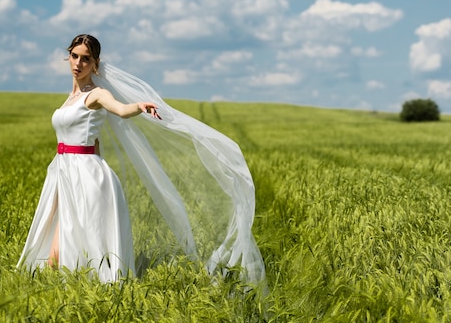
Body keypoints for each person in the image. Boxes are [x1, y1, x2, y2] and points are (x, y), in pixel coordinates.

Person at [17, 34, 266, 284]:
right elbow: (94, 139)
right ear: (68, 55)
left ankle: (100, 292)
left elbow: (121, 110)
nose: (78, 63)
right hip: (65, 172)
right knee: (56, 253)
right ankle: (67, 291)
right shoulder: (70, 98)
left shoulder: (97, 94)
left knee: (81, 247)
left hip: (88, 178)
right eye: (74, 56)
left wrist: (139, 106)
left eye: (86, 59)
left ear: (95, 63)